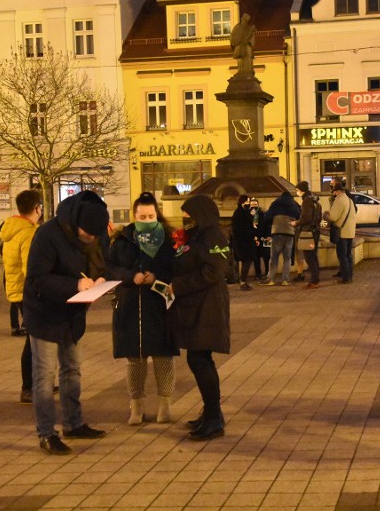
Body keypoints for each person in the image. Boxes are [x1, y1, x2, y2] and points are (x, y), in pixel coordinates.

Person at [24, 190, 110, 455]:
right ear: (75, 224)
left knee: (72, 369)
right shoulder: (48, 234)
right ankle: (47, 433)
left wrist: (100, 280)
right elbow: (37, 278)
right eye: (87, 235)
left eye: (96, 236)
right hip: (44, 313)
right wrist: (74, 284)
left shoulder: (96, 232)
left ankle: (74, 423)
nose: (92, 239)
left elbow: (103, 262)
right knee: (45, 376)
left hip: (73, 313)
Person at [108, 192, 178, 426]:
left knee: (163, 357)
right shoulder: (122, 239)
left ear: (157, 214)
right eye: (142, 216)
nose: (147, 220)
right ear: (134, 214)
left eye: (151, 215)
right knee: (135, 360)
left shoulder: (168, 239)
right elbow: (110, 269)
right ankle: (136, 406)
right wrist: (131, 276)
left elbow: (175, 269)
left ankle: (165, 406)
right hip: (130, 307)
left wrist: (156, 278)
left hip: (159, 304)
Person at [168, 195, 231, 441]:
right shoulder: (198, 235)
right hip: (197, 306)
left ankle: (214, 416)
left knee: (199, 358)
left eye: (188, 214)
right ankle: (212, 412)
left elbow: (214, 270)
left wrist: (179, 285)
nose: (184, 218)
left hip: (208, 307)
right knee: (199, 358)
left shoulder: (213, 235)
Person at [0, 190, 42, 403]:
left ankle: (37, 382)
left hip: (17, 290)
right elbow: (30, 268)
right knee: (34, 340)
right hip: (29, 292)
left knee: (38, 338)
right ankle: (28, 387)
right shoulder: (28, 232)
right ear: (37, 208)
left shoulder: (11, 229)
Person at [261, 191, 300, 286]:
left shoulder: (276, 203)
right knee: (287, 257)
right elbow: (299, 216)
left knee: (274, 257)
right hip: (289, 233)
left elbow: (267, 217)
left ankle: (270, 279)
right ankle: (285, 280)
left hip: (277, 232)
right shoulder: (294, 205)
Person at [324, 177, 356, 284]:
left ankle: (346, 278)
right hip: (350, 232)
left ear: (337, 191)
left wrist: (326, 215)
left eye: (334, 191)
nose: (333, 193)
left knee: (342, 256)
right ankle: (349, 275)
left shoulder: (339, 200)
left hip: (342, 233)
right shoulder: (349, 200)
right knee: (348, 255)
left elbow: (333, 217)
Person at [291, 181, 322, 289]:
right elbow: (318, 216)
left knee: (309, 257)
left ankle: (315, 281)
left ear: (302, 190)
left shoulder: (306, 201)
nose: (297, 192)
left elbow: (306, 218)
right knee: (313, 256)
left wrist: (296, 223)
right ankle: (316, 279)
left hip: (308, 232)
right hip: (315, 231)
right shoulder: (315, 200)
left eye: (297, 190)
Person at [230, 195, 256, 291]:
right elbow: (242, 227)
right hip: (244, 241)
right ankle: (243, 282)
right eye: (248, 202)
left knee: (246, 261)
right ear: (243, 202)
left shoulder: (241, 212)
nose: (249, 204)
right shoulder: (240, 213)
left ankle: (243, 281)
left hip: (243, 241)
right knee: (248, 260)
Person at [249, 198, 270, 279]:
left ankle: (268, 273)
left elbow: (267, 226)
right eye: (252, 205)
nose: (254, 206)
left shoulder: (263, 214)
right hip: (254, 238)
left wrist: (268, 236)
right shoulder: (249, 215)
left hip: (263, 238)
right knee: (256, 257)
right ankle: (258, 274)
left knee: (266, 256)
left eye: (255, 205)